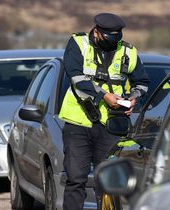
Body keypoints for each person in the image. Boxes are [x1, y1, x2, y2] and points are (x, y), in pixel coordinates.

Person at [58, 13, 150, 210]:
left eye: (117, 39)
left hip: (112, 126)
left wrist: (133, 98)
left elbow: (142, 82)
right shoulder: (78, 43)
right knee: (76, 180)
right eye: (109, 39)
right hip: (78, 123)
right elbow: (76, 78)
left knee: (109, 183)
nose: (113, 43)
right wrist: (104, 95)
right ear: (97, 32)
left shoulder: (128, 51)